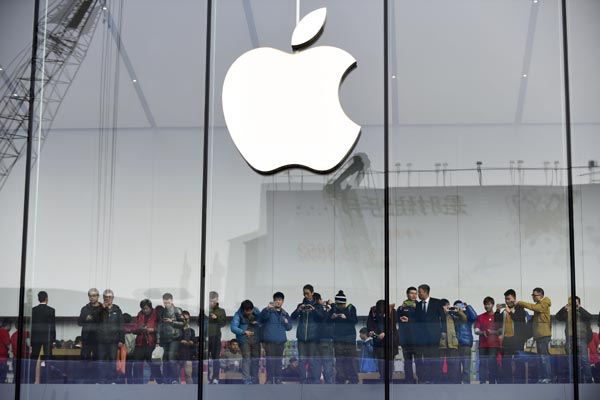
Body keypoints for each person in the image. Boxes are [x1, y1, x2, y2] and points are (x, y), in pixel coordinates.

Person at [518, 287, 552, 383]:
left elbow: (535, 308)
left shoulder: (545, 303)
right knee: (540, 358)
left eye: (534, 295)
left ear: (540, 295)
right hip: (539, 336)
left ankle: (548, 377)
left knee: (544, 358)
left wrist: (521, 303)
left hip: (544, 335)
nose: (532, 297)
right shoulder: (539, 304)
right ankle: (543, 377)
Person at [413, 284, 446, 384]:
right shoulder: (418, 305)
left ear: (426, 292)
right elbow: (416, 320)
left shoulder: (437, 302)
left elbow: (443, 317)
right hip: (421, 337)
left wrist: (443, 331)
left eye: (419, 292)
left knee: (434, 358)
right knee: (425, 358)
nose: (418, 294)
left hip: (434, 335)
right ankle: (425, 379)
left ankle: (435, 379)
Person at [555, 296, 593, 383]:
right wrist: (564, 308)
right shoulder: (567, 313)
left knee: (584, 360)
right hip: (570, 339)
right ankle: (572, 380)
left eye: (576, 303)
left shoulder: (582, 312)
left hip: (581, 338)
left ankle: (589, 380)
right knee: (570, 360)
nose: (574, 305)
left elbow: (589, 317)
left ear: (579, 303)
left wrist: (579, 308)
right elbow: (557, 317)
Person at [290, 284, 322, 383]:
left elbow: (321, 317)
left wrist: (314, 310)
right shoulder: (300, 305)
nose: (306, 296)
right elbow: (292, 317)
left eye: (307, 293)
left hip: (313, 337)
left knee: (312, 361)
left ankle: (312, 380)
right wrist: (299, 309)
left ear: (312, 293)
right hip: (301, 337)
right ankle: (302, 380)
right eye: (304, 294)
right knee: (302, 360)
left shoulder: (318, 305)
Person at [495, 289, 528, 383]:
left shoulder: (520, 309)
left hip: (517, 340)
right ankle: (507, 382)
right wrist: (497, 310)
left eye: (509, 299)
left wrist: (510, 312)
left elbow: (518, 318)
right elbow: (497, 321)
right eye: (506, 299)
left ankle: (520, 383)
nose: (507, 301)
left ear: (514, 299)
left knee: (519, 362)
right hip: (507, 339)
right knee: (506, 362)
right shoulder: (505, 311)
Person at [260, 291, 292, 384]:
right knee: (270, 362)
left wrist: (286, 322)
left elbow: (289, 327)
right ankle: (269, 379)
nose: (278, 302)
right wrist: (267, 309)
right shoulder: (268, 311)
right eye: (276, 300)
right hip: (270, 342)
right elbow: (262, 318)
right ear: (273, 301)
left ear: (283, 301)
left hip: (281, 342)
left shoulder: (285, 313)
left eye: (280, 300)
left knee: (279, 362)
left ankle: (278, 379)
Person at [330, 290, 358, 384]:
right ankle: (341, 379)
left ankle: (353, 379)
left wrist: (346, 317)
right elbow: (326, 320)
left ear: (344, 303)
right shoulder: (333, 309)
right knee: (339, 361)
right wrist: (332, 317)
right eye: (338, 304)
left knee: (352, 360)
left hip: (350, 339)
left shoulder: (351, 308)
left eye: (341, 304)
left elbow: (355, 320)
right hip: (337, 339)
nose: (340, 306)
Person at [367, 299, 399, 382]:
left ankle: (389, 378)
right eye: (379, 311)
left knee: (390, 360)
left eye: (382, 311)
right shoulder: (373, 311)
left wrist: (385, 333)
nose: (381, 313)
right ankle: (382, 376)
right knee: (380, 360)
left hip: (390, 339)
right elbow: (369, 322)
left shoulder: (392, 311)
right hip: (378, 340)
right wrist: (371, 330)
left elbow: (393, 325)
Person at [97, 289, 124, 383]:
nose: (108, 299)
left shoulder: (117, 309)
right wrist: (102, 309)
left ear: (113, 298)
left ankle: (112, 380)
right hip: (101, 340)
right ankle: (101, 380)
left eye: (109, 297)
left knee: (113, 361)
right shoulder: (99, 308)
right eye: (106, 297)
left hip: (113, 340)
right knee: (101, 361)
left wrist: (121, 339)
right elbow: (96, 321)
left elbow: (121, 325)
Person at [231, 299, 261, 384]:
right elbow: (233, 328)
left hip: (256, 338)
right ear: (243, 310)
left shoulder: (255, 310)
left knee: (256, 359)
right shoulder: (237, 315)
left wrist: (257, 322)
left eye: (251, 310)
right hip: (244, 339)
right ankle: (246, 380)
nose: (250, 313)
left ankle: (255, 379)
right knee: (247, 360)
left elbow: (262, 319)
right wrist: (243, 332)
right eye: (247, 311)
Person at [158, 292, 185, 384]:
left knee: (171, 358)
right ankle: (166, 379)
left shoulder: (177, 310)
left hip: (175, 338)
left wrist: (172, 321)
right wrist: (158, 341)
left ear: (172, 301)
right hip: (165, 338)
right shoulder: (162, 312)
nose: (167, 305)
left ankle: (175, 378)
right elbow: (159, 326)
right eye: (165, 303)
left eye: (168, 302)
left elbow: (183, 324)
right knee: (165, 359)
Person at [30, 291, 56, 383]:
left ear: (38, 299)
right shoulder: (51, 310)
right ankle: (47, 380)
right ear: (46, 299)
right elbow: (52, 326)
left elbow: (31, 326)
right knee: (48, 360)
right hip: (47, 339)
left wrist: (31, 340)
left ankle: (31, 380)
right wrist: (53, 339)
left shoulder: (33, 310)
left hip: (36, 339)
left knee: (33, 360)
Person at [133, 299, 161, 384]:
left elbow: (161, 327)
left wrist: (153, 330)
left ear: (150, 307)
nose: (145, 310)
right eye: (143, 309)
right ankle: (138, 385)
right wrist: (140, 329)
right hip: (140, 343)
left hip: (151, 344)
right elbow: (134, 329)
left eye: (146, 308)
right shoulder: (139, 314)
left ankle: (161, 382)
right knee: (137, 366)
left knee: (154, 366)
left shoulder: (156, 314)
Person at [77, 288, 102, 383]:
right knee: (84, 360)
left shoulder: (102, 309)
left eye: (94, 296)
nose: (92, 298)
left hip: (98, 337)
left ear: (98, 296)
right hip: (86, 338)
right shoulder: (85, 308)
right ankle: (85, 380)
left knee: (97, 360)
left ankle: (97, 381)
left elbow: (104, 322)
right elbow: (79, 322)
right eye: (90, 296)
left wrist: (93, 318)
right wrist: (85, 319)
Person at [474, 296, 500, 384]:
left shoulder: (497, 316)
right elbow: (476, 330)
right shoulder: (480, 317)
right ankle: (482, 383)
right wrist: (482, 333)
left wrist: (493, 332)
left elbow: (501, 330)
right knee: (483, 364)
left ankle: (492, 383)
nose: (487, 306)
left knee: (492, 364)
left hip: (494, 345)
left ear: (492, 305)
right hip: (483, 345)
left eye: (489, 304)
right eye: (485, 304)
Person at [439, 299, 465, 383]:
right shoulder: (438, 316)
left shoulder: (452, 316)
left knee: (454, 365)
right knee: (440, 365)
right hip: (441, 344)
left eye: (448, 305)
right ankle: (443, 382)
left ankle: (455, 382)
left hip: (452, 343)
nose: (448, 307)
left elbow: (464, 320)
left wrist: (459, 311)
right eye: (446, 305)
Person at [452, 299, 477, 384]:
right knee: (456, 369)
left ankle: (466, 385)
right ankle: (457, 386)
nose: (458, 308)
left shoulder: (467, 315)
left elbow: (475, 317)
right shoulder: (452, 315)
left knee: (466, 368)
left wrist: (468, 306)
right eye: (456, 306)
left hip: (466, 343)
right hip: (455, 344)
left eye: (460, 306)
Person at [397, 287, 418, 383]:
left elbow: (422, 320)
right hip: (406, 339)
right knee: (407, 361)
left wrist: (415, 309)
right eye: (411, 293)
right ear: (407, 294)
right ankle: (408, 379)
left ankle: (420, 379)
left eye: (415, 293)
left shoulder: (420, 306)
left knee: (418, 361)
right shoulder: (402, 307)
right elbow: (397, 319)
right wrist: (401, 307)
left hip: (418, 339)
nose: (414, 295)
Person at [313, 292, 334, 383]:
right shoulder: (324, 310)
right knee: (327, 363)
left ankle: (316, 383)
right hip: (326, 338)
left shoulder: (312, 310)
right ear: (319, 300)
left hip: (314, 339)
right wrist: (331, 305)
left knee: (316, 364)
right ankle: (329, 384)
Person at [207, 291, 226, 384]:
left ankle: (215, 377)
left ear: (217, 300)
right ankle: (206, 377)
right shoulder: (204, 309)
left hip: (216, 337)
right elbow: (199, 323)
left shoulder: (221, 311)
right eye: (210, 301)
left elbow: (223, 324)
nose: (212, 303)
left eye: (214, 301)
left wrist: (216, 318)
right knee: (204, 359)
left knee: (216, 359)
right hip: (205, 337)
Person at [179, 310, 196, 384]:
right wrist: (181, 341)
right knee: (177, 376)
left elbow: (194, 341)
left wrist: (191, 342)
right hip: (178, 354)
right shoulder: (177, 329)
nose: (186, 320)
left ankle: (191, 392)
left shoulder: (191, 330)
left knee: (188, 375)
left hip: (188, 354)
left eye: (187, 319)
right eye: (184, 319)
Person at [0, 319, 11, 383]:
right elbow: (8, 345)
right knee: (2, 377)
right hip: (2, 358)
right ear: (8, 325)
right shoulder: (5, 332)